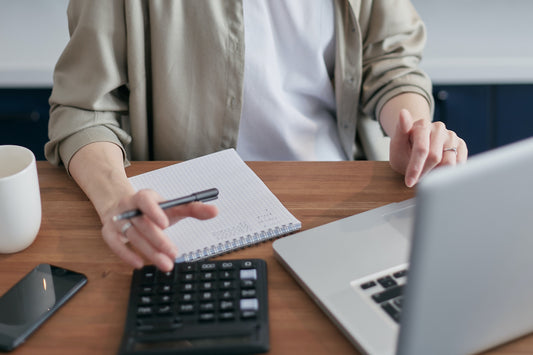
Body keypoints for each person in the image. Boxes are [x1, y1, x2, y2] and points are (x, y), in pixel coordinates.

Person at [45, 1, 467, 272]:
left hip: (338, 201)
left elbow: (390, 59)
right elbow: (85, 108)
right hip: (193, 225)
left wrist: (411, 129)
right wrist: (115, 199)